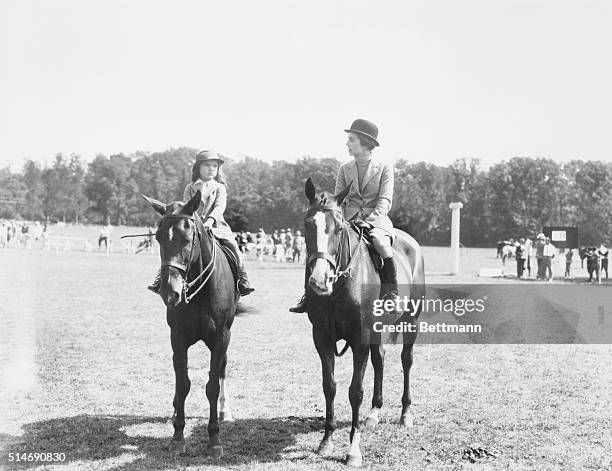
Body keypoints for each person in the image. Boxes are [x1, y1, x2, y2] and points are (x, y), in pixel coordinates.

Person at [290, 118, 398, 313]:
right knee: (319, 248)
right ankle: (308, 294)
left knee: (379, 243)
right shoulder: (344, 168)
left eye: (351, 140)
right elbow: (337, 200)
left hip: (377, 220)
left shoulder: (384, 167)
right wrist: (339, 221)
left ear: (366, 143)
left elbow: (385, 200)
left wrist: (369, 222)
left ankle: (392, 293)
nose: (347, 144)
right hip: (347, 220)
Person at [148, 150, 254, 296]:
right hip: (193, 228)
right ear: (198, 168)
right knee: (174, 248)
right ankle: (160, 278)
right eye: (207, 165)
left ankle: (242, 278)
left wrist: (209, 222)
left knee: (233, 246)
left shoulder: (219, 187)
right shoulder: (190, 187)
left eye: (214, 166)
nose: (211, 168)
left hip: (217, 227)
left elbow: (219, 207)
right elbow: (186, 207)